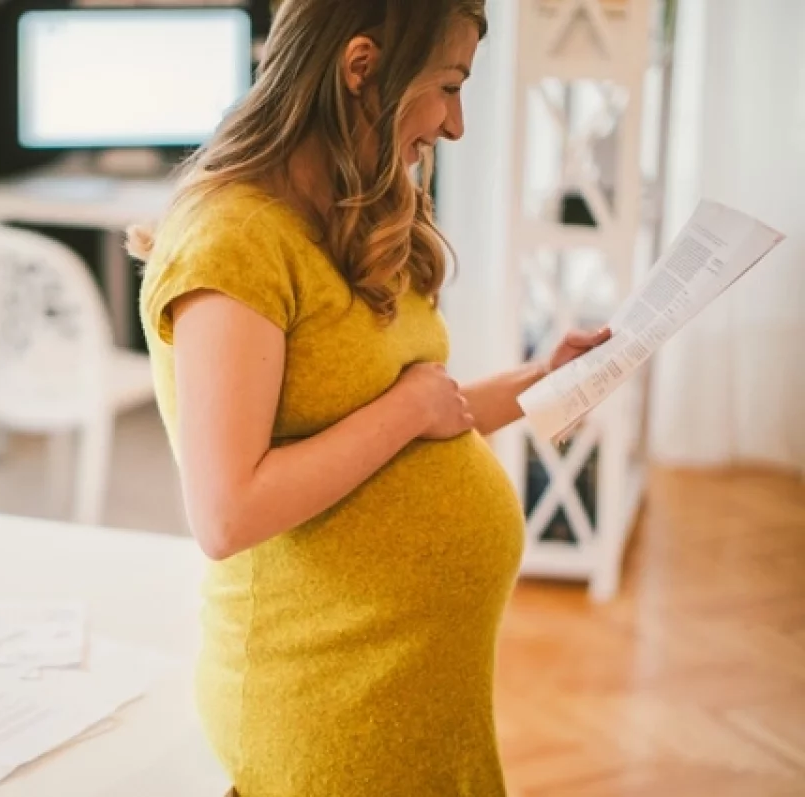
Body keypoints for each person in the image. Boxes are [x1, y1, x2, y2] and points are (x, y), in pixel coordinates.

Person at [126, 0, 611, 794]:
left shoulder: (360, 205)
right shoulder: (233, 239)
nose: (455, 124)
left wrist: (540, 380)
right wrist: (409, 410)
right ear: (361, 69)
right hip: (326, 707)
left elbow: (418, 408)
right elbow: (226, 513)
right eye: (448, 86)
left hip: (417, 689)